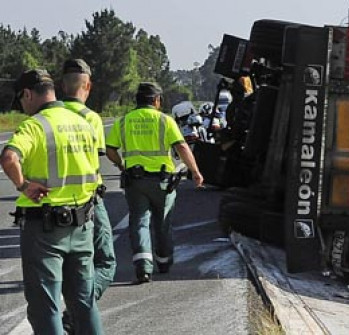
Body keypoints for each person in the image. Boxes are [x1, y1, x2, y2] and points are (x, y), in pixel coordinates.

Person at [1, 69, 103, 334]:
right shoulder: (83, 122)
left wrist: (23, 185)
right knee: (84, 303)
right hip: (83, 225)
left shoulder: (35, 125)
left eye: (21, 101)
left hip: (44, 229)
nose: (23, 107)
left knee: (45, 306)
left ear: (27, 94)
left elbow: (9, 158)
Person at [106, 82, 203, 283]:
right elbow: (182, 147)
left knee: (139, 221)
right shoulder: (165, 121)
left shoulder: (124, 121)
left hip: (135, 182)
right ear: (157, 100)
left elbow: (110, 149)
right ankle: (164, 261)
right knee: (163, 223)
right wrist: (195, 171)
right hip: (162, 183)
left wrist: (121, 165)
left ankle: (143, 267)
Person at [59, 58, 116, 300]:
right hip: (89, 199)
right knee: (106, 260)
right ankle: (82, 307)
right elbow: (95, 157)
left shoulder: (50, 116)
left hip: (55, 202)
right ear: (88, 86)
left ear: (62, 86)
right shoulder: (91, 118)